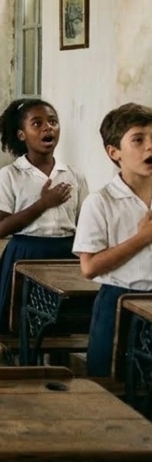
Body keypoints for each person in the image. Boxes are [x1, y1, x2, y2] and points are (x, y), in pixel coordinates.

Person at [0, 98, 85, 333]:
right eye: (37, 124)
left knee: (59, 324)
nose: (48, 128)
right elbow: (0, 228)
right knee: (20, 324)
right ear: (21, 135)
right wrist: (44, 203)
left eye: (53, 122)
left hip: (65, 255)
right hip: (26, 253)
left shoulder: (73, 176)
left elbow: (81, 224)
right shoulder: (10, 175)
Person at [75, 103, 152, 377]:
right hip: (120, 303)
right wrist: (143, 237)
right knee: (115, 391)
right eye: (138, 140)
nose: (150, 147)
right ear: (114, 152)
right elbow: (90, 267)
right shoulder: (100, 202)